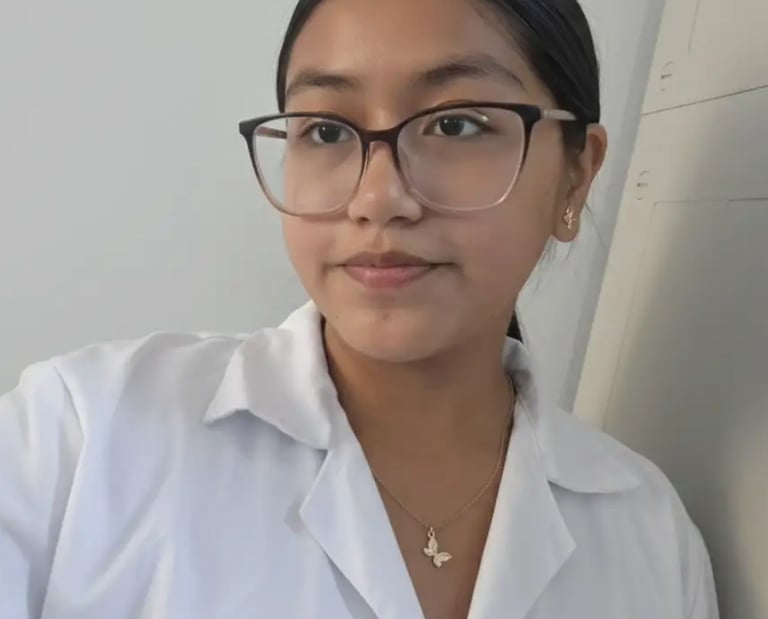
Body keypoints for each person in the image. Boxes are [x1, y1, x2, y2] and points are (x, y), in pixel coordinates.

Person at [0, 0, 719, 617]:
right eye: (326, 130)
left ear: (577, 174)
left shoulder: (647, 531)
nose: (378, 198)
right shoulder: (79, 437)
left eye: (457, 124)